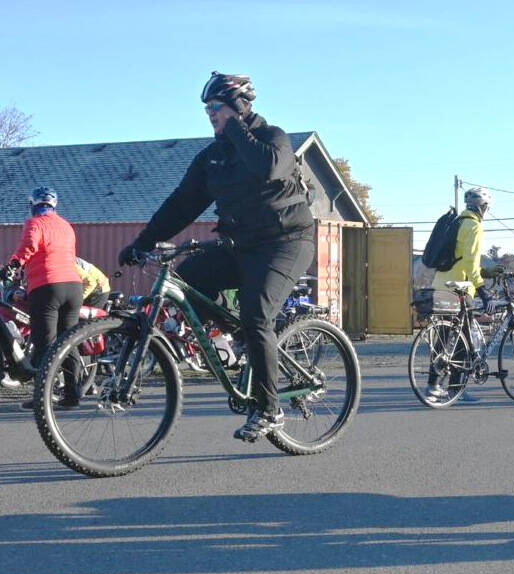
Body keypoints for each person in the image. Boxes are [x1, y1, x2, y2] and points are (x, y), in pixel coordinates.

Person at [118, 72, 315, 441]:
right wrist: (142, 241)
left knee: (257, 312)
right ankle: (245, 335)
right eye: (208, 109)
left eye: (217, 107)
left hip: (287, 242)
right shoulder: (212, 158)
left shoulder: (275, 138)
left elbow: (268, 167)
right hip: (242, 245)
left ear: (241, 106)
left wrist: (236, 127)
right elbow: (181, 205)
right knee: (190, 276)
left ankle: (270, 410)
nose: (211, 114)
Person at [3, 187, 84, 410]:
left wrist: (13, 265)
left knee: (45, 343)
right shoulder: (66, 226)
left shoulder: (35, 223)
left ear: (32, 205)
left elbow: (29, 245)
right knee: (68, 340)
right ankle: (72, 394)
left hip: (47, 286)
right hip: (74, 286)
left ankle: (43, 397)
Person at [428, 186, 494, 402]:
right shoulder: (474, 226)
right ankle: (452, 388)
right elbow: (470, 262)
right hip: (459, 288)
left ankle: (436, 385)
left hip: (440, 283)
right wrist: (482, 288)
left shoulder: (457, 222)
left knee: (447, 338)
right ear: (482, 208)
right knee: (462, 339)